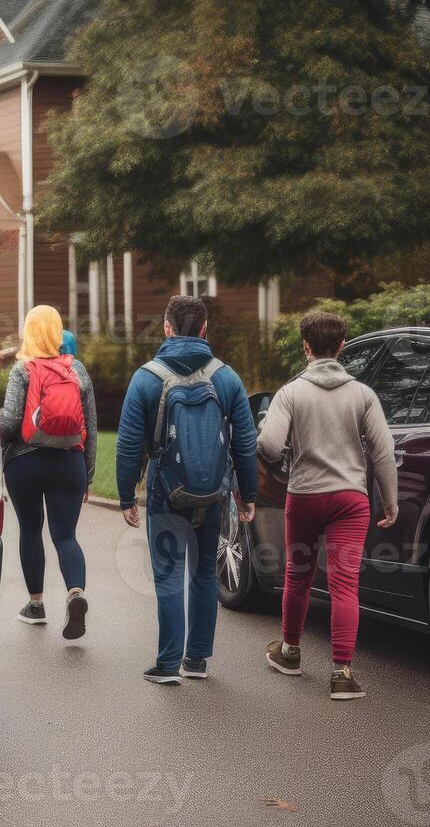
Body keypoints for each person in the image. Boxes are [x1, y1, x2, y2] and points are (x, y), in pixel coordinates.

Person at [116, 295, 258, 686]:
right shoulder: (226, 377)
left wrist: (127, 495)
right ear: (204, 329)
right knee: (204, 574)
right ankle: (196, 660)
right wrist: (248, 493)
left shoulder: (146, 377)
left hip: (166, 491)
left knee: (168, 574)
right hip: (213, 493)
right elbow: (245, 441)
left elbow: (129, 443)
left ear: (167, 327)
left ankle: (166, 664)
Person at [257, 311, 397, 700]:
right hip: (351, 500)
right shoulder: (363, 395)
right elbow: (383, 453)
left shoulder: (290, 393)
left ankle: (290, 652)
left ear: (306, 348)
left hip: (304, 496)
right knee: (344, 584)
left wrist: (283, 452)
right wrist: (390, 502)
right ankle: (342, 673)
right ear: (342, 347)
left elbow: (268, 446)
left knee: (298, 575)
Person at [0, 305, 98, 639]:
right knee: (66, 535)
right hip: (69, 462)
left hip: (25, 462)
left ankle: (36, 605)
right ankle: (76, 593)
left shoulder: (23, 369)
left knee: (30, 529)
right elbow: (91, 428)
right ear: (57, 332)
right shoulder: (77, 370)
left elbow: (11, 421)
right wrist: (88, 474)